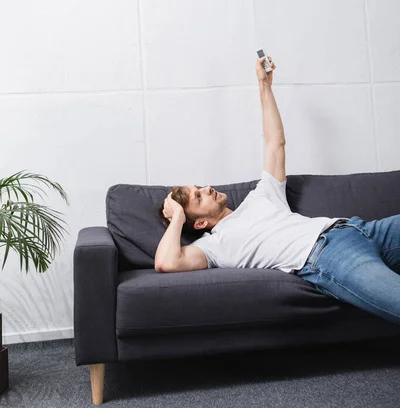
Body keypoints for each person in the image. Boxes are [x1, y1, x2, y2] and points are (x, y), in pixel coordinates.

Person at [155, 56, 400, 327]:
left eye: (199, 187)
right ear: (200, 222)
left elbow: (275, 143)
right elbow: (167, 263)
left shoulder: (261, 196)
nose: (206, 189)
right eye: (198, 197)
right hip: (328, 256)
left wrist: (264, 86)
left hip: (361, 230)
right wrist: (177, 215)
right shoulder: (214, 247)